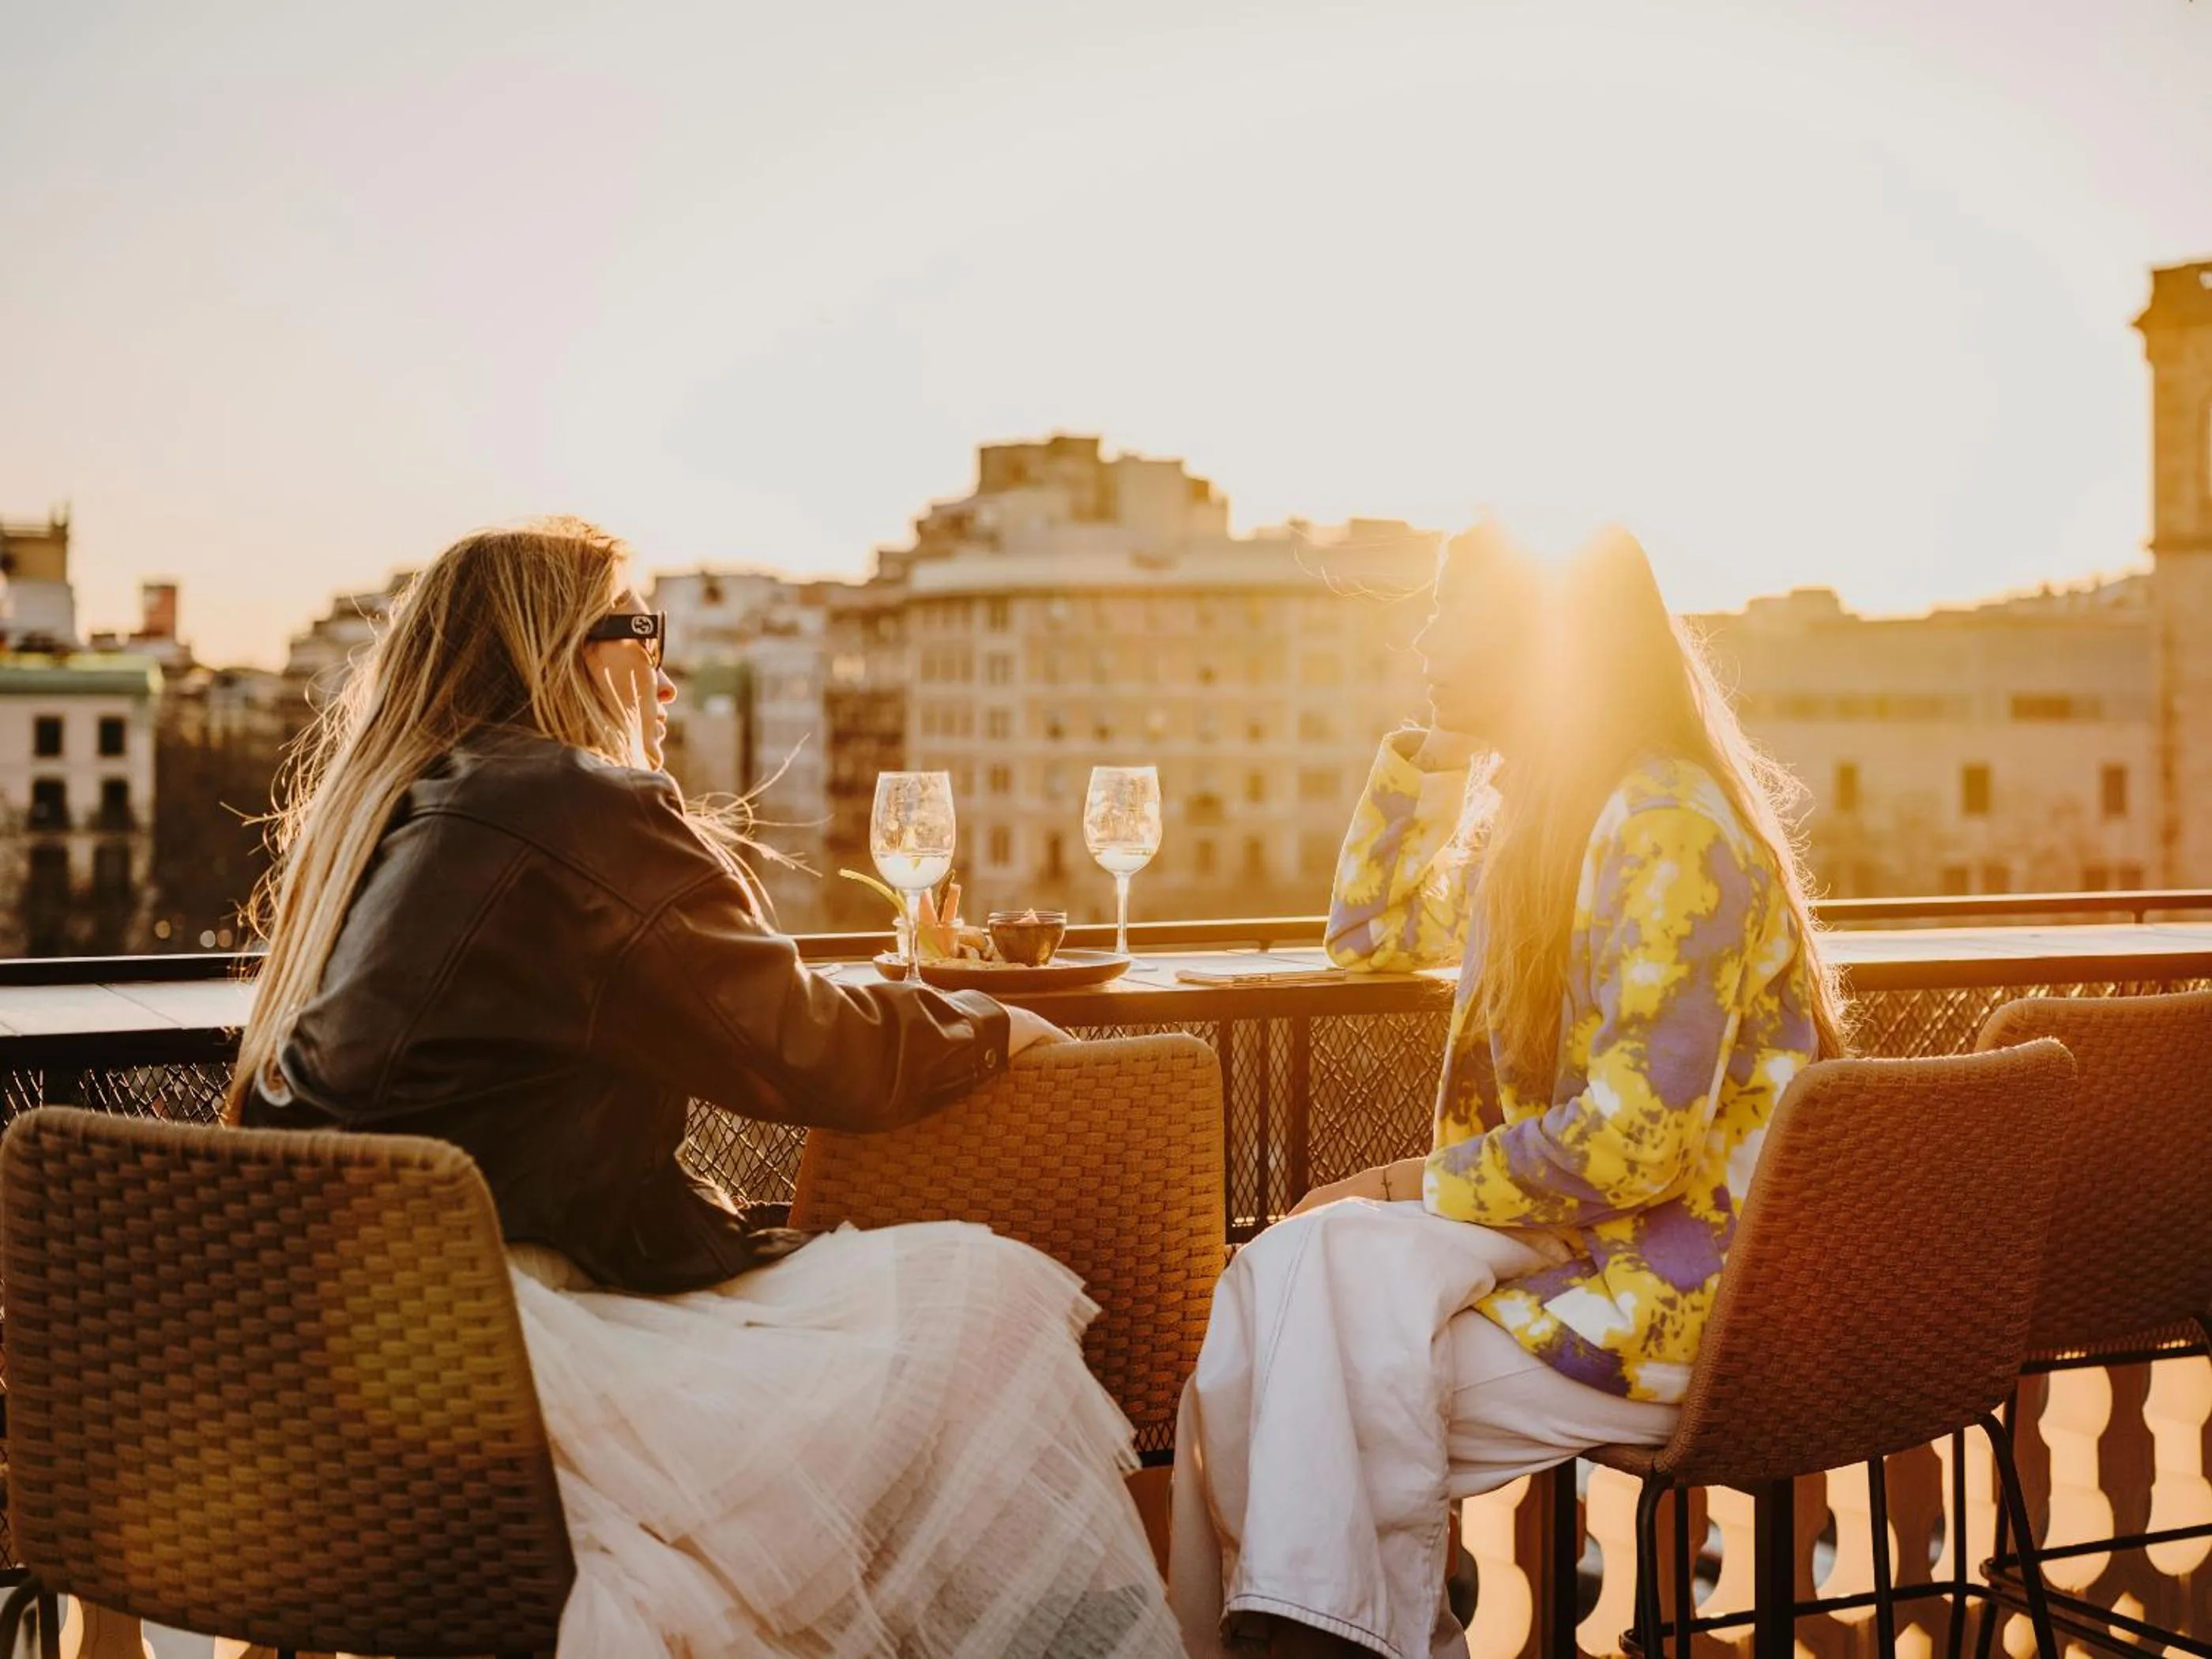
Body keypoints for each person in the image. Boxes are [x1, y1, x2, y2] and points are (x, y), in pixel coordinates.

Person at [228, 518, 1181, 1658]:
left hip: (329, 1349)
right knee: (982, 1301)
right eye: (644, 631)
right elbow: (796, 1045)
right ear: (563, 650)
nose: (667, 680)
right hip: (509, 1338)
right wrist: (986, 1024)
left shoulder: (403, 805)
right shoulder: (575, 802)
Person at [1169, 524, 1850, 1659]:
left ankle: (1303, 1639)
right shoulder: (1549, 822)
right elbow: (1371, 935)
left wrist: (1403, 1182)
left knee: (1306, 1370)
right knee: (1279, 1274)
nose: (1424, 638)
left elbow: (1637, 1142)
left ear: (1545, 644)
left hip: (1690, 1302)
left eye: (1455, 614)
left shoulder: (1665, 826)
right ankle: (1334, 1634)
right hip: (1583, 1248)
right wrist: (1429, 758)